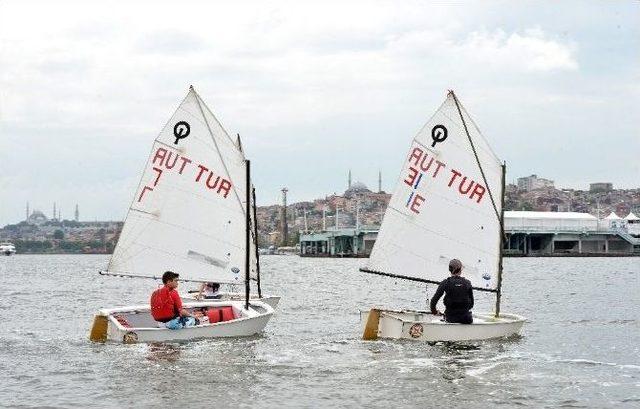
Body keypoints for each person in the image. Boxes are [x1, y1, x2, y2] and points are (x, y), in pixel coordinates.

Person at [429, 259, 474, 324]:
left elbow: (433, 301)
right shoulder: (468, 283)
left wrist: (435, 312)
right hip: (466, 319)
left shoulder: (445, 282)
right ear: (460, 270)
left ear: (450, 270)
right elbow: (471, 304)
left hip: (451, 318)